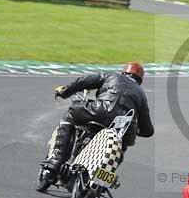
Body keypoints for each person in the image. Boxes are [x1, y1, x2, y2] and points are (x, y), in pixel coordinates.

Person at [39, 62, 155, 190]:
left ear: (124, 73)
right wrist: (135, 130)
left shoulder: (112, 76)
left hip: (98, 111)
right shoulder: (141, 94)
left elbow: (84, 81)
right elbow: (148, 130)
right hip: (121, 126)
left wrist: (65, 91)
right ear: (140, 80)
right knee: (122, 145)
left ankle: (56, 159)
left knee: (70, 114)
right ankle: (106, 175)